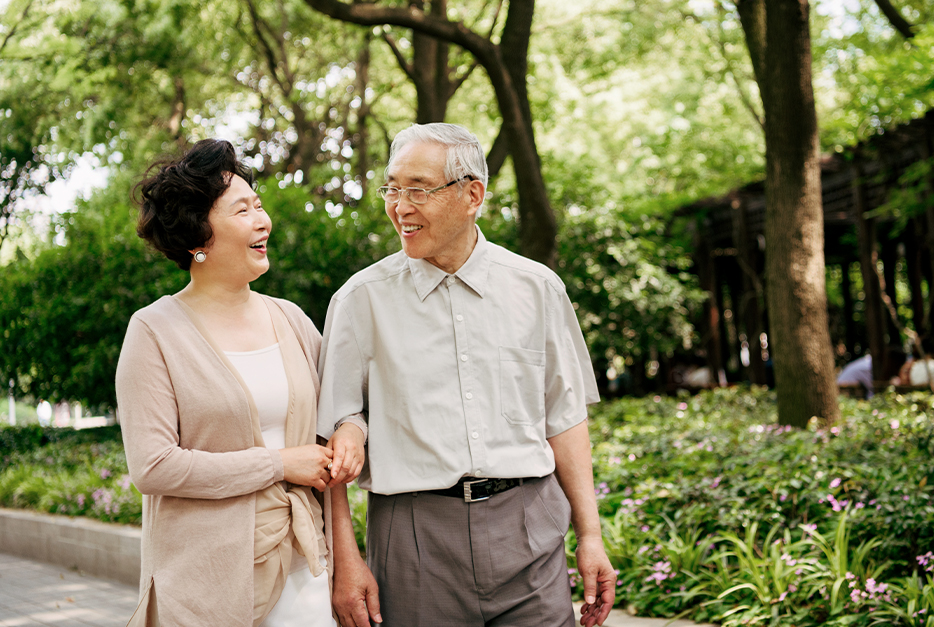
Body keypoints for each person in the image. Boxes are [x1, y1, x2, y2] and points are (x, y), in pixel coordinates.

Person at [317, 123, 616, 627]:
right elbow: (332, 438)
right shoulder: (358, 301)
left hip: (529, 527)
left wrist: (590, 536)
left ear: (472, 194)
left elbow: (563, 418)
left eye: (418, 189)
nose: (399, 206)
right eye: (392, 188)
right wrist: (345, 561)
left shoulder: (537, 288)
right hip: (414, 537)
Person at [115, 139, 365, 626]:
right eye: (242, 209)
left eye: (260, 205)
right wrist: (277, 464)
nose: (263, 219)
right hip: (204, 585)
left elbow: (336, 417)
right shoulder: (153, 332)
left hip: (304, 567)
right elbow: (154, 467)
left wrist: (351, 431)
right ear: (198, 235)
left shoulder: (290, 319)